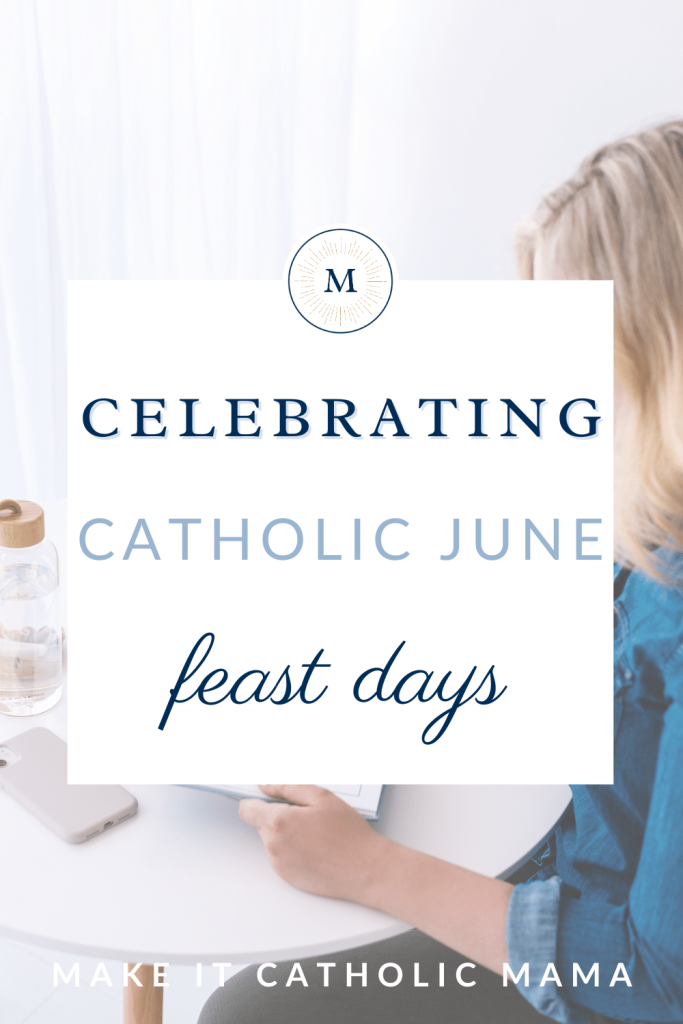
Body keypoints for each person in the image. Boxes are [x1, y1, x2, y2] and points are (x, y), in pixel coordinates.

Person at [199, 122, 683, 1024]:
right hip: (557, 857)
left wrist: (372, 871)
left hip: (604, 979)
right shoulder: (655, 503)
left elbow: (657, 977)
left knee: (248, 1013)